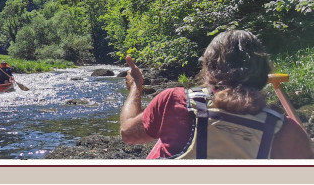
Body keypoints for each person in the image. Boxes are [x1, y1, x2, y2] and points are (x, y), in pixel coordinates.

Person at [120, 30, 313, 159]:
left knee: (161, 145)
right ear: (263, 73)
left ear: (209, 68)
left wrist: (136, 87)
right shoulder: (287, 130)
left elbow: (128, 134)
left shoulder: (173, 101)